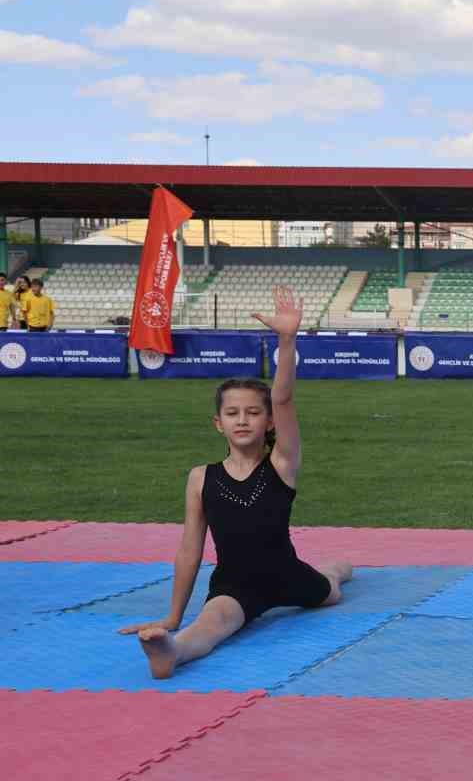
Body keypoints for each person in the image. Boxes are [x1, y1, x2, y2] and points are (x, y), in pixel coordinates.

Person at [119, 286, 353, 678]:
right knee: (211, 626)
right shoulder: (200, 478)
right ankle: (170, 652)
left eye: (252, 412)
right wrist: (173, 615)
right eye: (232, 413)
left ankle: (337, 569)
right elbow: (190, 551)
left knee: (331, 590)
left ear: (269, 422)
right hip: (235, 584)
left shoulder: (282, 463)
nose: (242, 419)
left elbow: (283, 398)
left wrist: (287, 338)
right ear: (219, 423)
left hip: (288, 575)